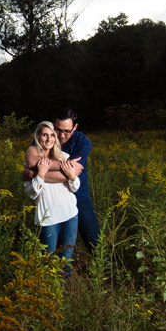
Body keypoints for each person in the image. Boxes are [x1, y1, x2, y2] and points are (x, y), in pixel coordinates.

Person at [22, 107, 100, 252]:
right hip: (52, 201)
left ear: (75, 127)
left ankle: (107, 273)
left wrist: (35, 173)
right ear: (53, 124)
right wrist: (64, 166)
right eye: (58, 129)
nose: (61, 136)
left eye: (67, 131)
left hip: (79, 195)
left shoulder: (83, 142)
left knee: (94, 241)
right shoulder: (46, 137)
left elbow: (72, 173)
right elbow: (32, 161)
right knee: (53, 248)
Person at [23, 121, 82, 270]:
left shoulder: (64, 156)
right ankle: (48, 292)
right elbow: (31, 194)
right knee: (47, 262)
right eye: (45, 135)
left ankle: (65, 290)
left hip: (70, 214)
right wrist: (40, 174)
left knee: (66, 260)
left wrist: (72, 177)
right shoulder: (31, 162)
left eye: (52, 135)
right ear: (38, 137)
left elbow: (75, 187)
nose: (49, 139)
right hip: (48, 219)